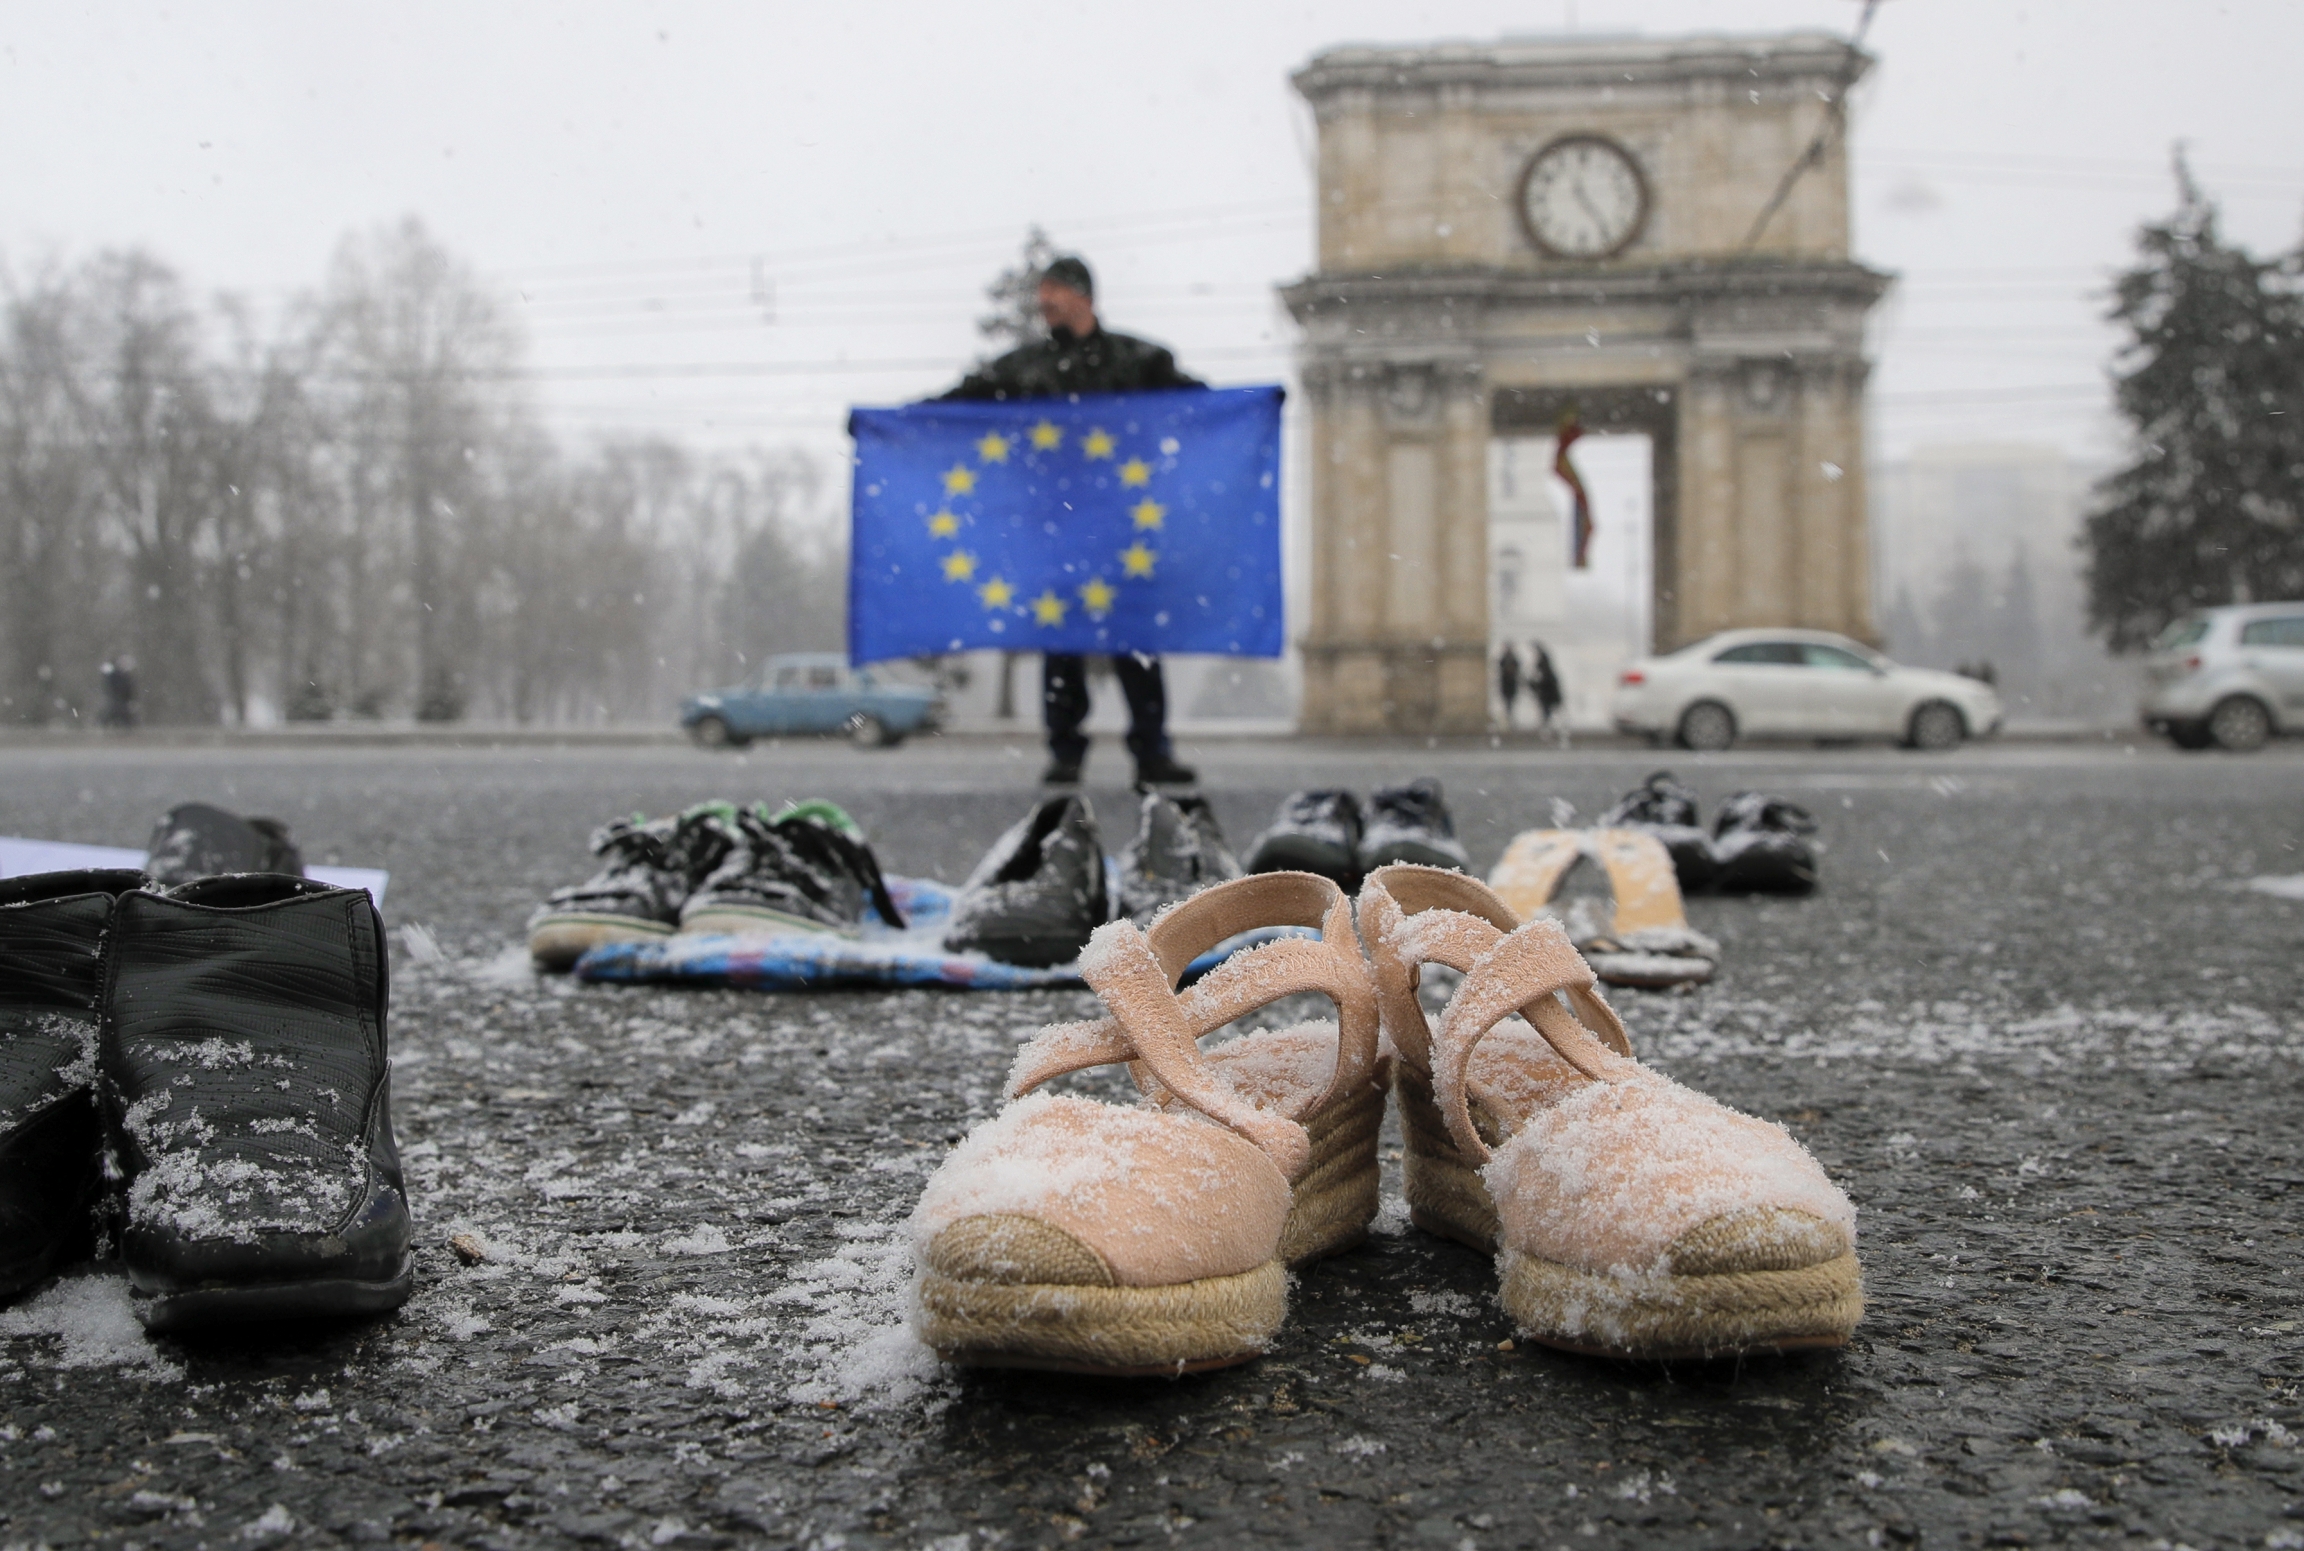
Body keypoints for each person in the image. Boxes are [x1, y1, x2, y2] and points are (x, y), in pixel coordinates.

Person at [938, 255, 1202, 787]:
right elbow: (962, 399)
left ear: (1083, 295)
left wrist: (1257, 405)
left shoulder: (1139, 361)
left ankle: (1152, 754)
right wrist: (892, 423)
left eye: (1053, 291)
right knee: (1062, 642)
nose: (1043, 303)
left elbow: (1198, 400)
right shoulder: (1024, 368)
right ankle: (1065, 752)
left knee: (1134, 640)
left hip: (1123, 528)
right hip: (1054, 528)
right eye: (1041, 293)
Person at [1530, 641, 1564, 736]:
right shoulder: (1545, 663)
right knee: (1546, 708)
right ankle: (1547, 723)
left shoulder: (1544, 665)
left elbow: (1542, 675)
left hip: (1547, 691)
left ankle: (1547, 724)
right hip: (1547, 690)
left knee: (1546, 708)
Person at [1496, 643, 1523, 729]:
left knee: (1510, 702)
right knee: (1507, 702)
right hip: (1507, 684)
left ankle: (1509, 717)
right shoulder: (1504, 659)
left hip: (1510, 684)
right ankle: (1508, 717)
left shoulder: (1512, 659)